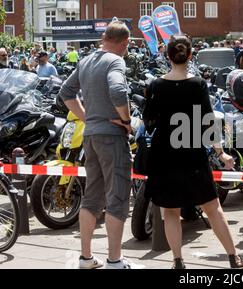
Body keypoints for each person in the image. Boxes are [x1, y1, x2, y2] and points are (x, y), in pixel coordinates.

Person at [143, 34, 243, 269]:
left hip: (164, 153)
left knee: (170, 212)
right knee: (213, 208)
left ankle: (178, 261)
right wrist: (221, 152)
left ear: (166, 55)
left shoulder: (155, 85)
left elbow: (148, 122)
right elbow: (208, 121)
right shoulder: (198, 84)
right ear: (190, 56)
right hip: (191, 151)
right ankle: (233, 257)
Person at [58, 21, 144, 269]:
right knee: (117, 197)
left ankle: (85, 257)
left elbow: (66, 92)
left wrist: (87, 118)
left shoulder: (86, 60)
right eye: (127, 46)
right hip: (111, 136)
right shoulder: (116, 61)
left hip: (91, 136)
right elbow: (118, 91)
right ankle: (115, 261)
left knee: (92, 198)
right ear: (124, 43)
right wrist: (126, 121)